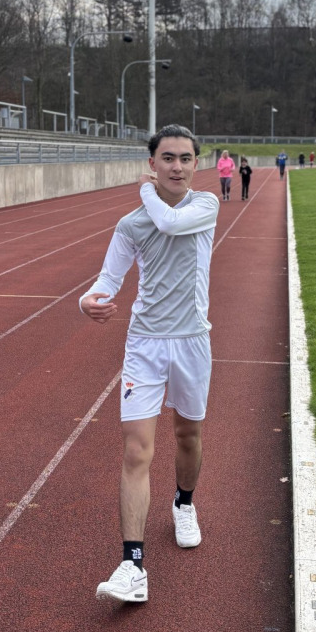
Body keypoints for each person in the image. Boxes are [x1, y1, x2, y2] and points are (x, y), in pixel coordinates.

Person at [80, 124, 221, 604]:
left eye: (185, 158)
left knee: (187, 434)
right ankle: (132, 564)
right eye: (167, 158)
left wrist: (145, 192)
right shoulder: (130, 225)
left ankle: (184, 503)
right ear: (152, 162)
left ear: (196, 164)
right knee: (137, 450)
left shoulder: (205, 206)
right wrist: (87, 301)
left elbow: (170, 223)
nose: (176, 166)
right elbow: (107, 279)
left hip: (192, 342)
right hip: (144, 345)